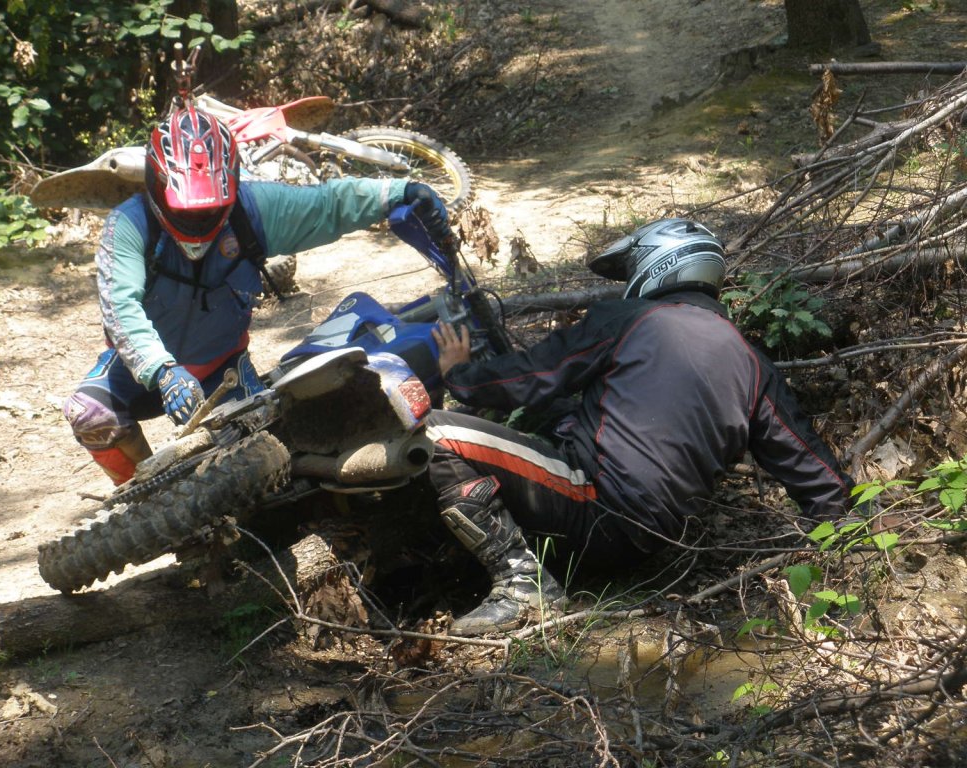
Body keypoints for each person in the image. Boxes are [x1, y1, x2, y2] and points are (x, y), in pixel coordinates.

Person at [426, 218, 855, 636]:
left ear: (658, 264)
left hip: (592, 507)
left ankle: (523, 586)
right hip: (646, 545)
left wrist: (460, 375)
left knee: (435, 433)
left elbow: (530, 377)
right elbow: (814, 470)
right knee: (559, 415)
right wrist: (849, 553)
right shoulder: (751, 360)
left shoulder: (630, 319)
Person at [63, 103, 451, 484]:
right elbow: (121, 308)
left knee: (263, 464)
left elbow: (327, 206)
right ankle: (142, 497)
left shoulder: (251, 211)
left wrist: (399, 191)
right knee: (90, 414)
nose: (198, 219)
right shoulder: (128, 226)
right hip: (141, 371)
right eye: (187, 210)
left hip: (223, 369)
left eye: (209, 209)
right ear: (157, 184)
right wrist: (162, 370)